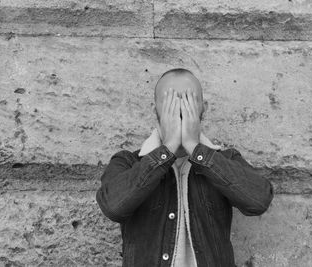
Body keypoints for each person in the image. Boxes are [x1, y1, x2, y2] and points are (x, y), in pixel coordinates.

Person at [96, 68, 274, 266]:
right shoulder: (129, 162)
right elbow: (113, 207)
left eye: (189, 100)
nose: (180, 109)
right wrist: (167, 149)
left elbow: (258, 201)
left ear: (203, 107)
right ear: (154, 108)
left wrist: (195, 149)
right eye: (171, 101)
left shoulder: (225, 159)